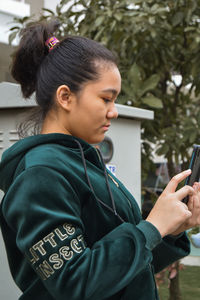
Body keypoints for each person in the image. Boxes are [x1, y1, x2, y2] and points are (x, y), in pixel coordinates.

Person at [0, 20, 200, 300]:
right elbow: (75, 283)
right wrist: (152, 227)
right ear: (66, 97)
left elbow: (123, 271)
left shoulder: (82, 161)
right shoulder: (40, 175)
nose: (114, 112)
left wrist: (169, 230)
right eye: (106, 99)